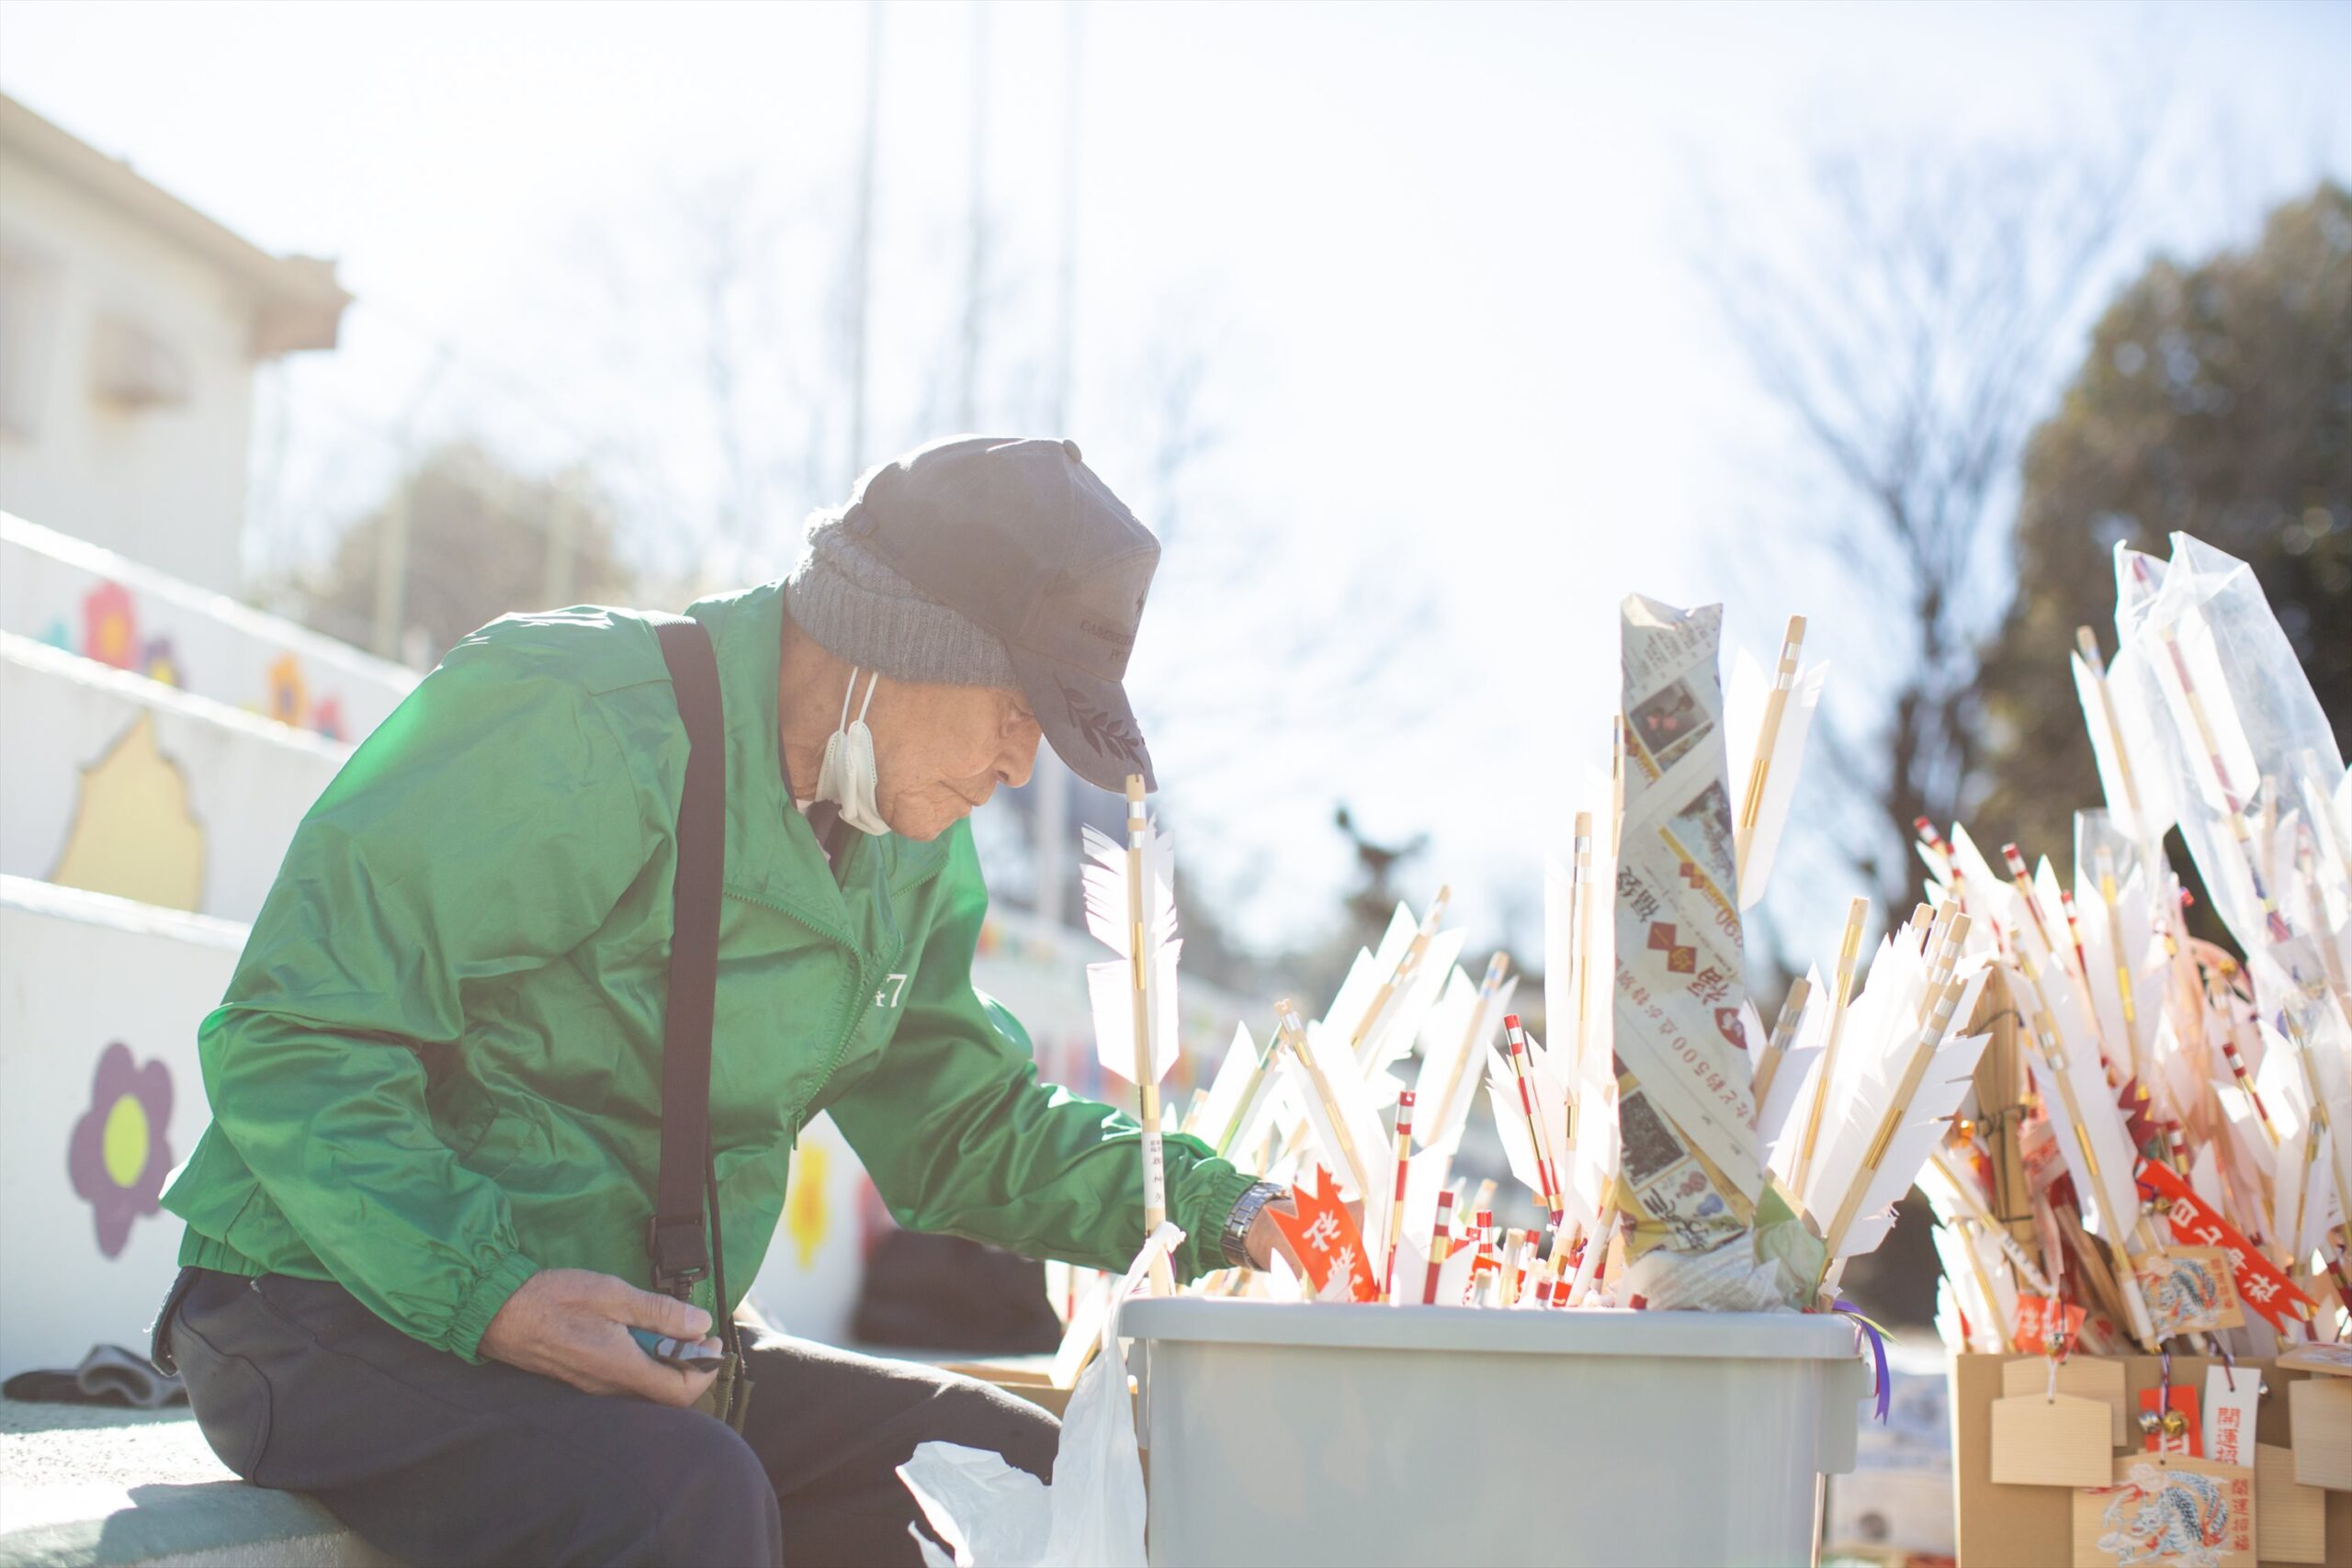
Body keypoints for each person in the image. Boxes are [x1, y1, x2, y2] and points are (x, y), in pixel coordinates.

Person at [153, 436, 1298, 1566]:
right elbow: (294, 1035)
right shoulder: (572, 711)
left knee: (1010, 1473)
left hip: (628, 1346)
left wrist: (1228, 1210)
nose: (1020, 765)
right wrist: (493, 1292)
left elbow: (962, 1126)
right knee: (680, 1500)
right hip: (325, 1305)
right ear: (902, 637)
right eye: (1014, 708)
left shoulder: (908, 849)